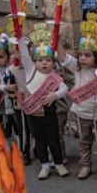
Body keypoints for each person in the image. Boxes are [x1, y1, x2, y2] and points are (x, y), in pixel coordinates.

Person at [62, 15, 97, 180]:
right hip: (82, 111)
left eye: (87, 55)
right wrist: (56, 39)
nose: (83, 58)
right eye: (81, 55)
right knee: (84, 140)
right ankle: (85, 165)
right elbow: (63, 57)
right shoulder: (77, 69)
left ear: (96, 56)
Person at [16, 26, 69, 178]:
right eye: (40, 60)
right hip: (33, 112)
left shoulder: (54, 77)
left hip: (49, 111)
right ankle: (44, 165)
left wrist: (55, 96)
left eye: (47, 60)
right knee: (39, 139)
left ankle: (58, 163)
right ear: (34, 62)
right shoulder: (30, 72)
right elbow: (24, 54)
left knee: (54, 139)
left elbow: (64, 88)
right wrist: (19, 34)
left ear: (53, 62)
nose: (44, 63)